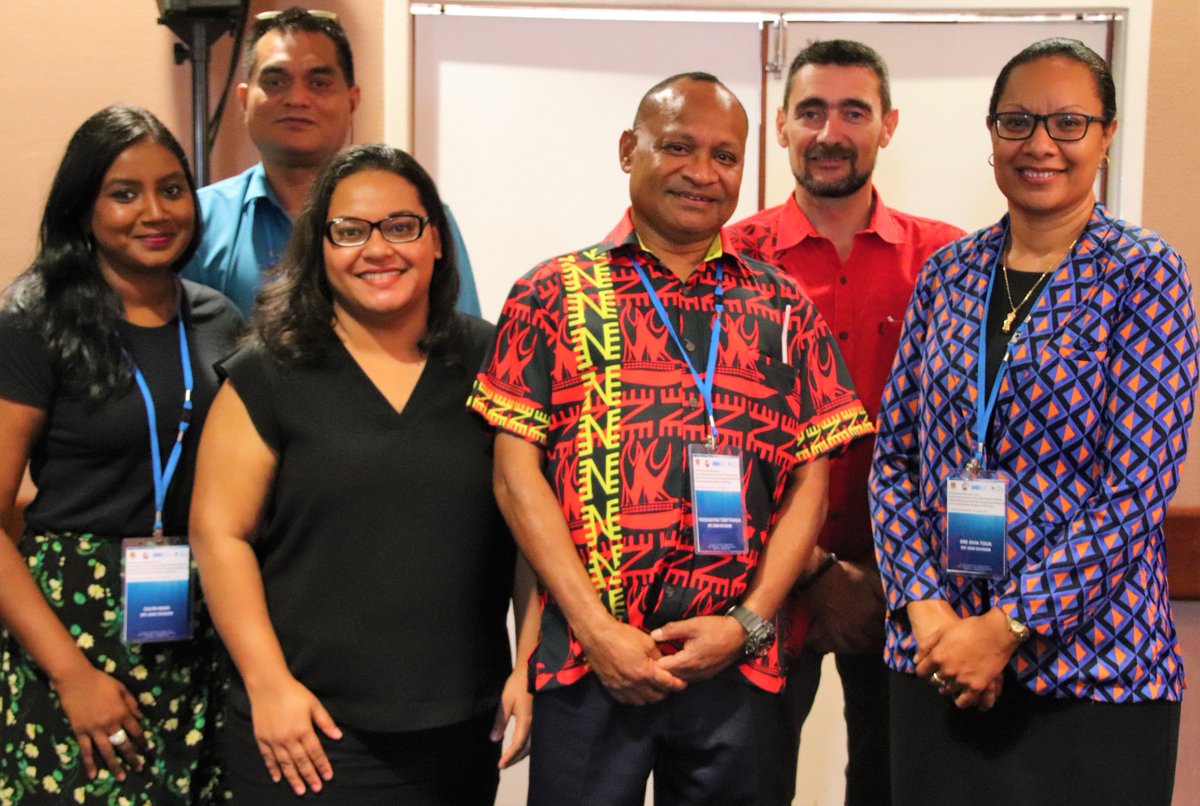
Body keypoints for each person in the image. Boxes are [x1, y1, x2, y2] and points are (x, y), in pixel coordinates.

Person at [469, 72, 871, 805]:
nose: (702, 173)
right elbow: (513, 474)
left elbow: (814, 478)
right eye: (678, 146)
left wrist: (746, 624)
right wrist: (595, 630)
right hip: (589, 663)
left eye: (725, 156)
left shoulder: (783, 305)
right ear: (630, 150)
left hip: (739, 669)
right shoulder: (550, 294)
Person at [871, 38, 1196, 806]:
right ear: (990, 135)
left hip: (1094, 672)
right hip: (937, 659)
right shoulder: (949, 272)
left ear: (1107, 134)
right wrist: (927, 611)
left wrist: (1005, 630)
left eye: (1068, 122)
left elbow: (1135, 489)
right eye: (1017, 121)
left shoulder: (1145, 273)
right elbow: (894, 461)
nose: (1040, 144)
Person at [189, 143, 536, 805]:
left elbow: (529, 522)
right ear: (320, 248)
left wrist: (530, 662)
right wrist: (268, 687)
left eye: (401, 226)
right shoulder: (267, 372)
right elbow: (217, 535)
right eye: (349, 231)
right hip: (304, 733)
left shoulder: (496, 360)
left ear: (437, 239)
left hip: (460, 730)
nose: (378, 249)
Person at [726, 39, 964, 805]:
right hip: (757, 583)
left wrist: (896, 578)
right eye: (811, 111)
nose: (831, 131)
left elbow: (970, 439)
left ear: (887, 125)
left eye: (854, 111)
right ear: (782, 126)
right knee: (746, 786)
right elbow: (700, 439)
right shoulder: (729, 258)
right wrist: (815, 572)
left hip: (917, 588)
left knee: (899, 787)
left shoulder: (949, 260)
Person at [0, 105, 242, 804]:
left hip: (198, 618)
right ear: (84, 208)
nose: (154, 211)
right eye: (124, 192)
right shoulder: (33, 319)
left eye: (171, 189)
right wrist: (71, 674)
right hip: (74, 622)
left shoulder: (219, 318)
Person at [182, 6, 481, 316]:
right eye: (275, 82)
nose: (297, 98)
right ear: (244, 100)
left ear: (352, 100)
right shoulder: (200, 222)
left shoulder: (416, 220)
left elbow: (463, 344)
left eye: (318, 83)